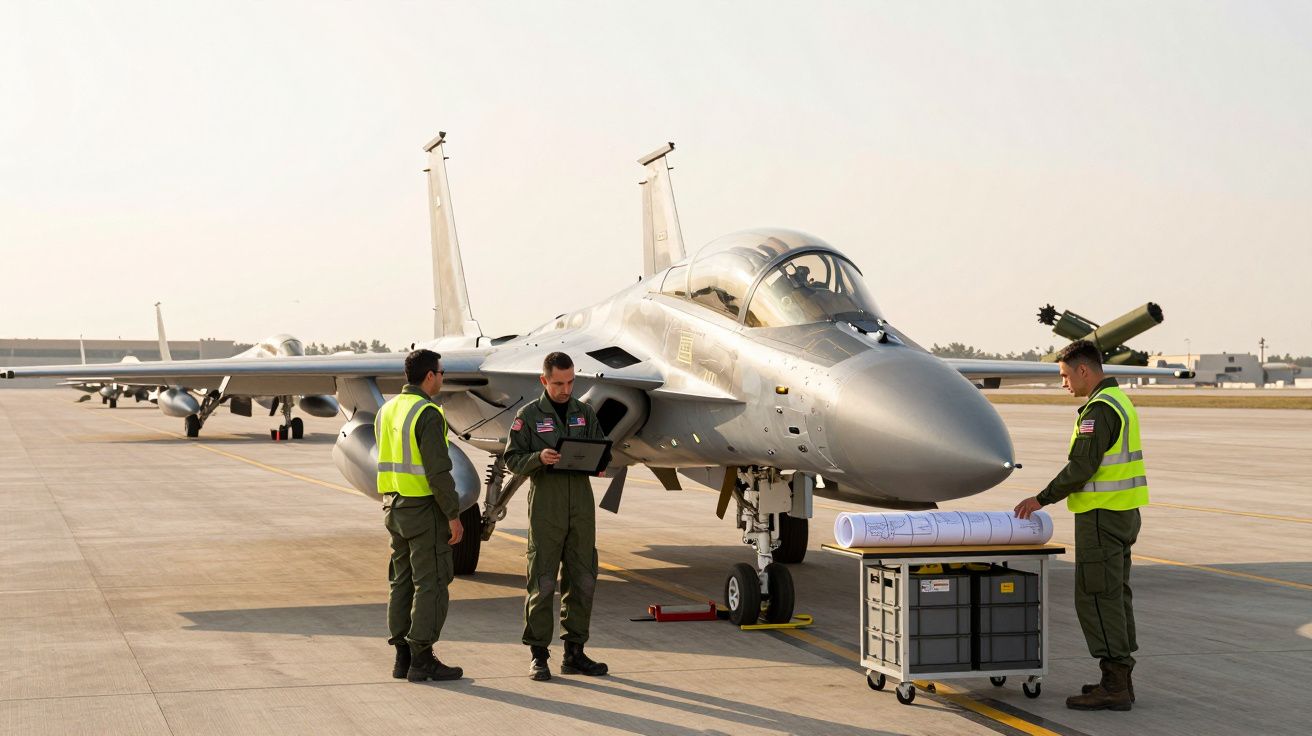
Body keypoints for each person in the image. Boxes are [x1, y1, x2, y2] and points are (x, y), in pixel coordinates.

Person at [1014, 340, 1147, 711]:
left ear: (1083, 370)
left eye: (1064, 376)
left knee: (1097, 598)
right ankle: (1120, 678)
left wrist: (1040, 498)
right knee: (1116, 596)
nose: (1063, 384)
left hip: (1102, 516)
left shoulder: (1098, 411)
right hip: (1124, 512)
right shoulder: (1120, 401)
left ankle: (1115, 684)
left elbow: (1081, 468)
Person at [505, 351, 610, 681]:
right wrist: (539, 457)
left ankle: (574, 653)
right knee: (543, 579)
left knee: (583, 577)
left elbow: (599, 448)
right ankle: (539, 655)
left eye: (570, 382)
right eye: (558, 383)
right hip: (547, 504)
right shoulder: (529, 416)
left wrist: (599, 463)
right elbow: (512, 459)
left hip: (580, 503)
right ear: (544, 380)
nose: (566, 390)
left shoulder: (584, 413)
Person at [377, 348, 464, 682]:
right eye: (441, 373)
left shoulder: (387, 410)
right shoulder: (427, 412)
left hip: (394, 506)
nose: (442, 377)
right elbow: (439, 472)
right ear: (430, 375)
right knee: (432, 583)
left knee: (400, 581)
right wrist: (453, 514)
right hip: (424, 508)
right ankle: (423, 657)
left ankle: (402, 657)